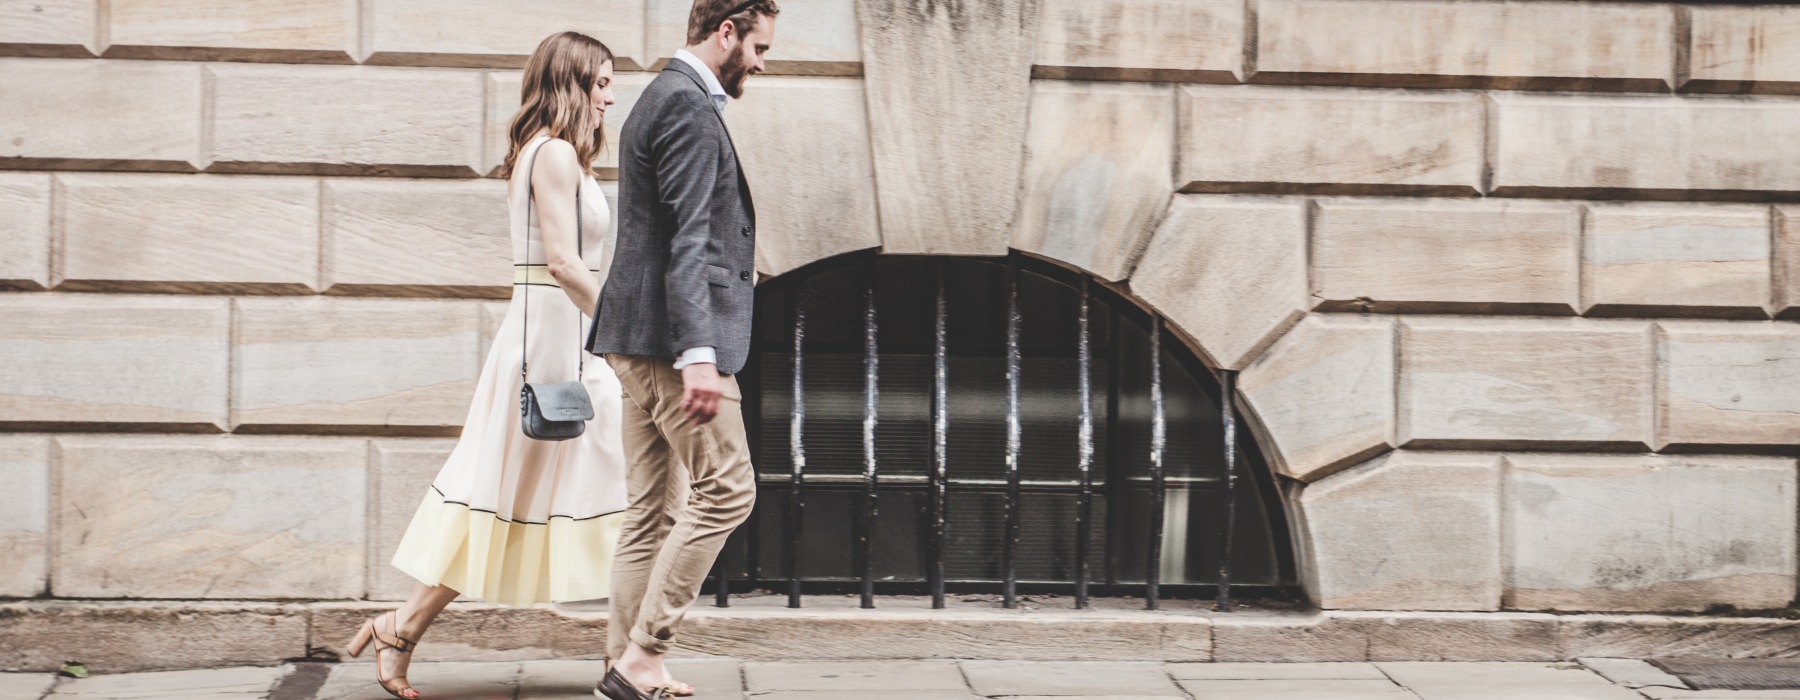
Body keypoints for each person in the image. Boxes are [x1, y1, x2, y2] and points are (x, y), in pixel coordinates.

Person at [343, 31, 626, 700]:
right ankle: (641, 655)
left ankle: (401, 628)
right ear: (572, 84)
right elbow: (561, 262)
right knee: (507, 497)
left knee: (521, 496)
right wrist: (623, 330)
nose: (612, 96)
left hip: (564, 340)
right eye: (602, 83)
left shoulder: (553, 154)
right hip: (554, 347)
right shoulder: (553, 154)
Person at [587, 0, 779, 697]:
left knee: (652, 513)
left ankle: (624, 666)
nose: (760, 62)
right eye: (758, 46)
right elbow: (691, 240)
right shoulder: (689, 108)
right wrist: (699, 352)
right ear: (725, 31)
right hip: (673, 344)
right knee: (728, 490)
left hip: (634, 341)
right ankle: (644, 653)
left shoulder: (658, 98)